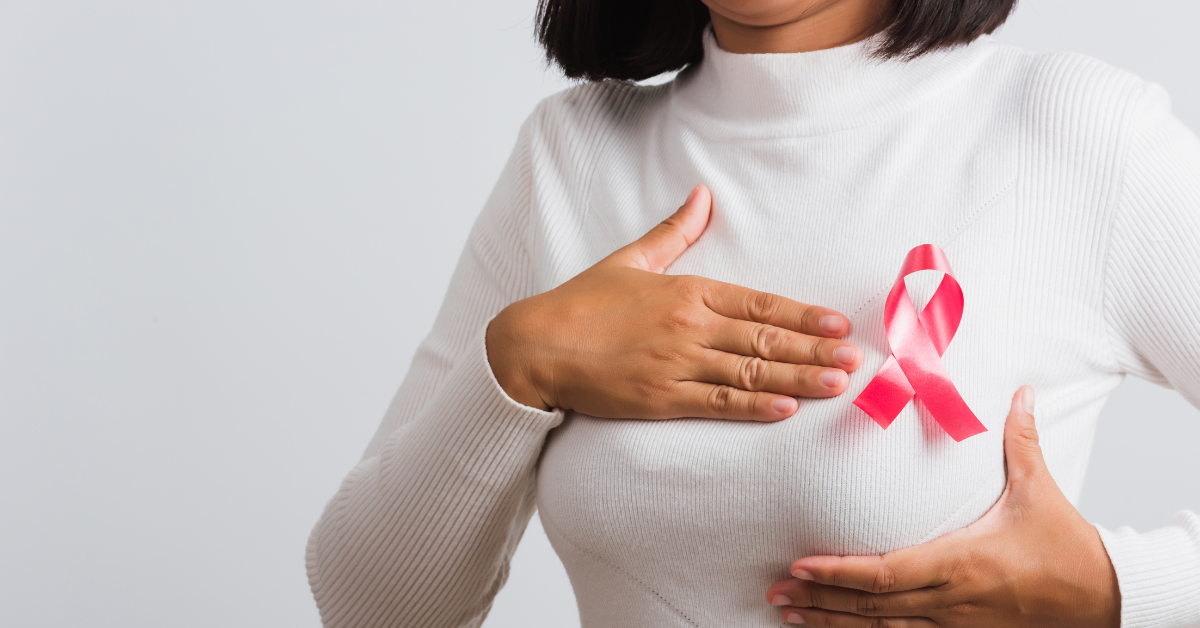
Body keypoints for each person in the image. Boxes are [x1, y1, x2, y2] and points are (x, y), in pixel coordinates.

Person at [305, 0, 1200, 626]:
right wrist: (521, 360)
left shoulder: (1072, 134)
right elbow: (370, 610)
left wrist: (1116, 591)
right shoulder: (572, 155)